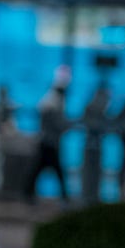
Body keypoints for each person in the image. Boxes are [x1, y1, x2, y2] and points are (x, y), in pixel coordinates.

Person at [28, 71, 71, 200]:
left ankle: (28, 193)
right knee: (52, 170)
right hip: (49, 141)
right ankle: (64, 196)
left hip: (48, 140)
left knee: (40, 169)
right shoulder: (54, 101)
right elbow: (57, 123)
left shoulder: (50, 100)